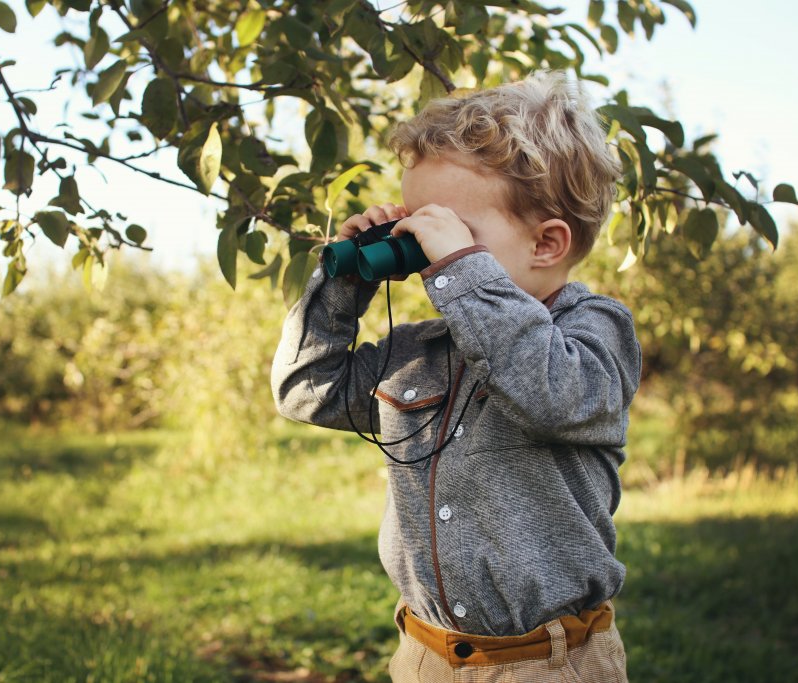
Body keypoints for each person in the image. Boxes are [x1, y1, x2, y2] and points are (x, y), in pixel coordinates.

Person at [270, 70, 641, 682]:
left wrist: (461, 270)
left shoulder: (596, 331)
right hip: (424, 656)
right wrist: (345, 283)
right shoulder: (419, 350)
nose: (426, 251)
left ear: (547, 243)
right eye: (417, 226)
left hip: (549, 665)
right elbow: (305, 389)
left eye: (451, 232)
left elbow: (550, 393)